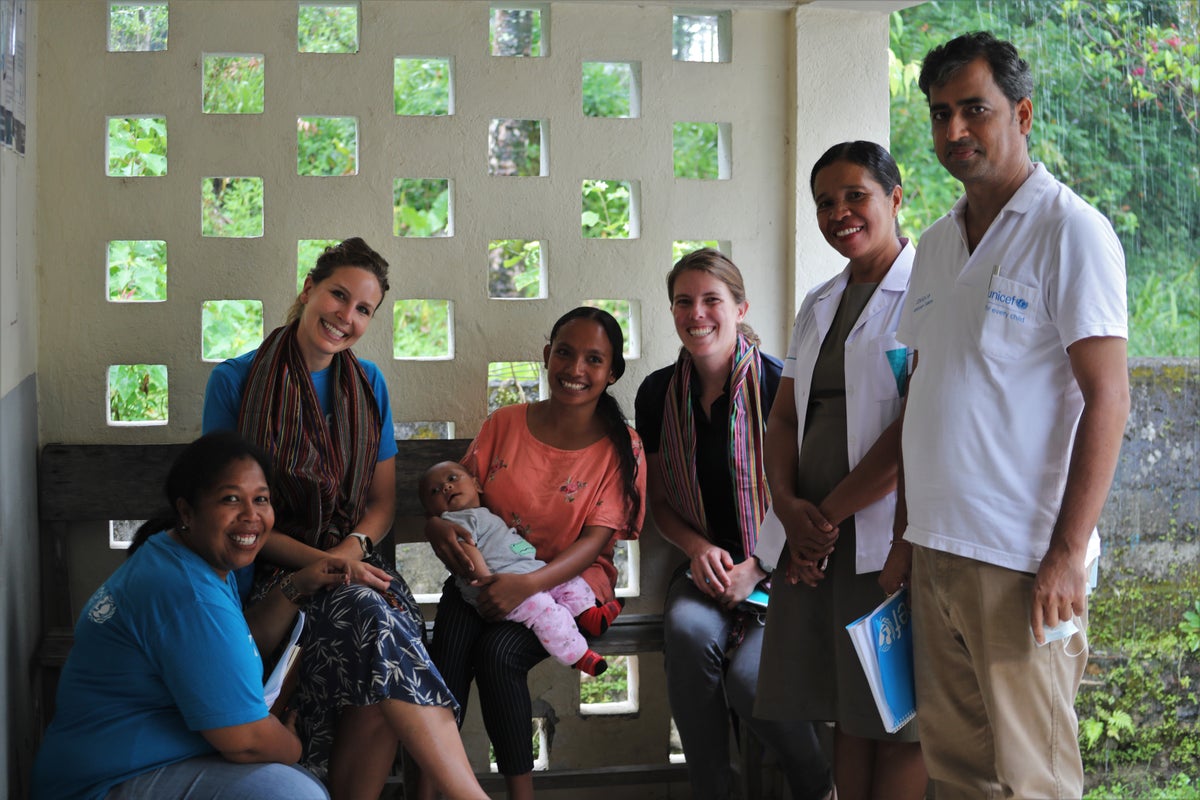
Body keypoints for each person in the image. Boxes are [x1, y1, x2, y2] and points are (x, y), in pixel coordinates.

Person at [882, 32, 1129, 799]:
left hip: (1023, 563)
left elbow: (1108, 398)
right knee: (956, 775)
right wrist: (904, 540)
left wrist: (1066, 550)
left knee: (1034, 780)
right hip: (936, 553)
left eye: (975, 111)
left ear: (1021, 114)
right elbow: (925, 395)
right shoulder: (932, 246)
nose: (954, 131)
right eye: (940, 114)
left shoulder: (1071, 231)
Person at [203, 238, 487, 800]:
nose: (346, 317)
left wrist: (349, 556)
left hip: (356, 564)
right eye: (338, 295)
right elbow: (231, 514)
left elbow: (381, 505)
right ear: (309, 289)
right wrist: (330, 566)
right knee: (376, 623)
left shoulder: (368, 385)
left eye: (363, 310)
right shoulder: (236, 382)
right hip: (268, 575)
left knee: (379, 647)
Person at [31, 432, 345, 800]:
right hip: (103, 783)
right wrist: (293, 747)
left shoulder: (180, 557)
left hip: (119, 765)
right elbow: (244, 741)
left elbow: (231, 643)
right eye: (230, 499)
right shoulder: (186, 592)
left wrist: (296, 586)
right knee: (293, 793)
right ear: (186, 511)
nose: (251, 516)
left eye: (261, 499)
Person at [752, 141, 927, 800]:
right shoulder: (821, 301)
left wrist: (824, 517)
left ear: (895, 198)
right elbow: (785, 419)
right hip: (815, 539)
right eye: (826, 201)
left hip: (880, 534)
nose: (840, 212)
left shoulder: (925, 296)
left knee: (897, 713)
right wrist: (790, 506)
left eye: (856, 195)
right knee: (848, 712)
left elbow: (911, 428)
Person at [634, 248, 831, 800]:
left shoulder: (779, 386)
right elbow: (658, 499)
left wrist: (759, 565)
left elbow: (809, 493)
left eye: (711, 300)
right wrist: (697, 549)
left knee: (750, 683)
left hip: (781, 571)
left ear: (740, 308)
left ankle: (818, 787)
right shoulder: (656, 394)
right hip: (705, 570)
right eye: (684, 301)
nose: (697, 313)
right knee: (690, 637)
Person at [426, 306, 646, 800]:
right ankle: (432, 788)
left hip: (568, 587)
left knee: (498, 653)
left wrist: (527, 584)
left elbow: (597, 541)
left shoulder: (620, 446)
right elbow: (455, 502)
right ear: (547, 356)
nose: (575, 369)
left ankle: (519, 795)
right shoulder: (503, 424)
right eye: (564, 353)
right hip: (486, 574)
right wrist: (436, 528)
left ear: (612, 373)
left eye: (594, 360)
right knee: (447, 656)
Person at [419, 460, 619, 676]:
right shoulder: (455, 521)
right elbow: (468, 552)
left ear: (476, 485)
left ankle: (589, 615)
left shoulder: (482, 513)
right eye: (435, 491)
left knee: (570, 582)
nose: (446, 487)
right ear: (431, 511)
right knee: (545, 611)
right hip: (503, 588)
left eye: (452, 478)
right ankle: (579, 655)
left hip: (528, 572)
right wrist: (487, 582)